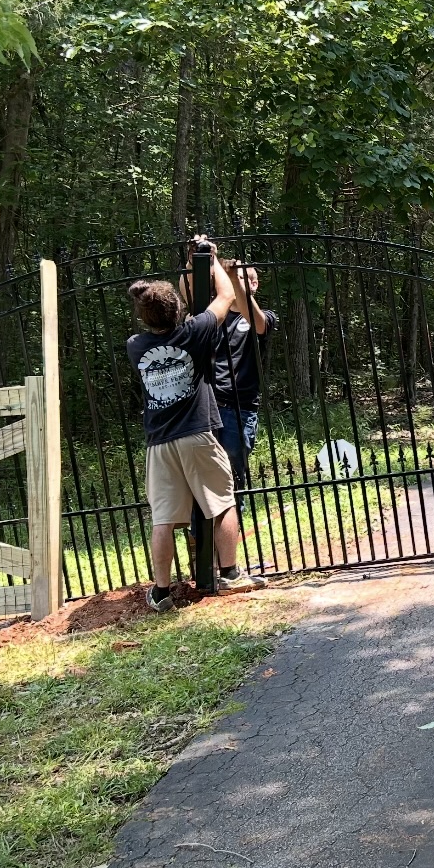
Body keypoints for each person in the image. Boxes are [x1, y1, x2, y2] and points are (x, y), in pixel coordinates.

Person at [127, 244, 266, 612]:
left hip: (159, 441)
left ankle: (160, 592)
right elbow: (225, 295)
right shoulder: (194, 333)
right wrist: (211, 258)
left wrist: (191, 265)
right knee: (223, 502)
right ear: (179, 311)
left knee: (162, 520)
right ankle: (230, 574)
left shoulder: (135, 345)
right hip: (197, 432)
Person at [213, 259, 277, 500]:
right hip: (207, 410)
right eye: (230, 279)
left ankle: (233, 524)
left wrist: (233, 278)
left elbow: (259, 325)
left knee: (232, 483)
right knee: (202, 481)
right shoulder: (215, 318)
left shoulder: (263, 317)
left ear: (254, 284)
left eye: (240, 279)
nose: (233, 282)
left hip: (239, 412)